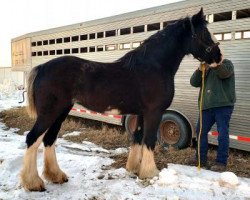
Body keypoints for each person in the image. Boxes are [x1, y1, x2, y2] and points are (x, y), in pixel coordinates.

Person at [188, 57, 236, 172]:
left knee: (222, 133)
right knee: (200, 132)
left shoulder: (226, 63)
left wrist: (215, 64)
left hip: (223, 106)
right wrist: (200, 69)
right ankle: (200, 159)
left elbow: (224, 74)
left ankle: (221, 162)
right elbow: (193, 82)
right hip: (206, 107)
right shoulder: (205, 68)